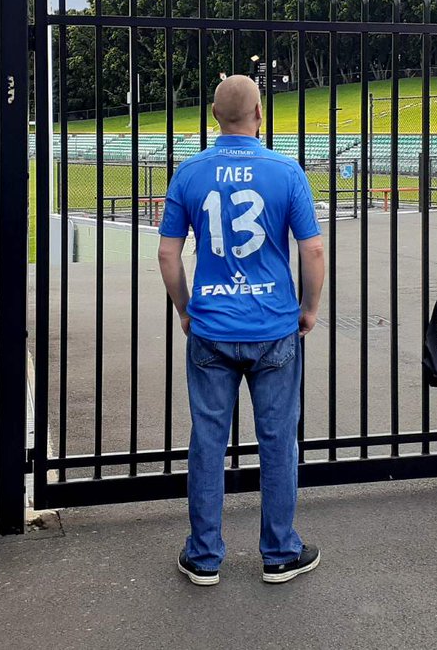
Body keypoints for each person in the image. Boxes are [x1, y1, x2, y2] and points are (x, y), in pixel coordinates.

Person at [157, 74, 326, 586]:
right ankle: (279, 551)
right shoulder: (285, 170)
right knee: (277, 441)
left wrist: (187, 309)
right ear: (260, 113)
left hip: (211, 324)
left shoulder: (190, 172)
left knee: (207, 439)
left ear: (214, 116)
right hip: (273, 324)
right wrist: (309, 308)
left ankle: (204, 556)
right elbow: (312, 250)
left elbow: (168, 253)